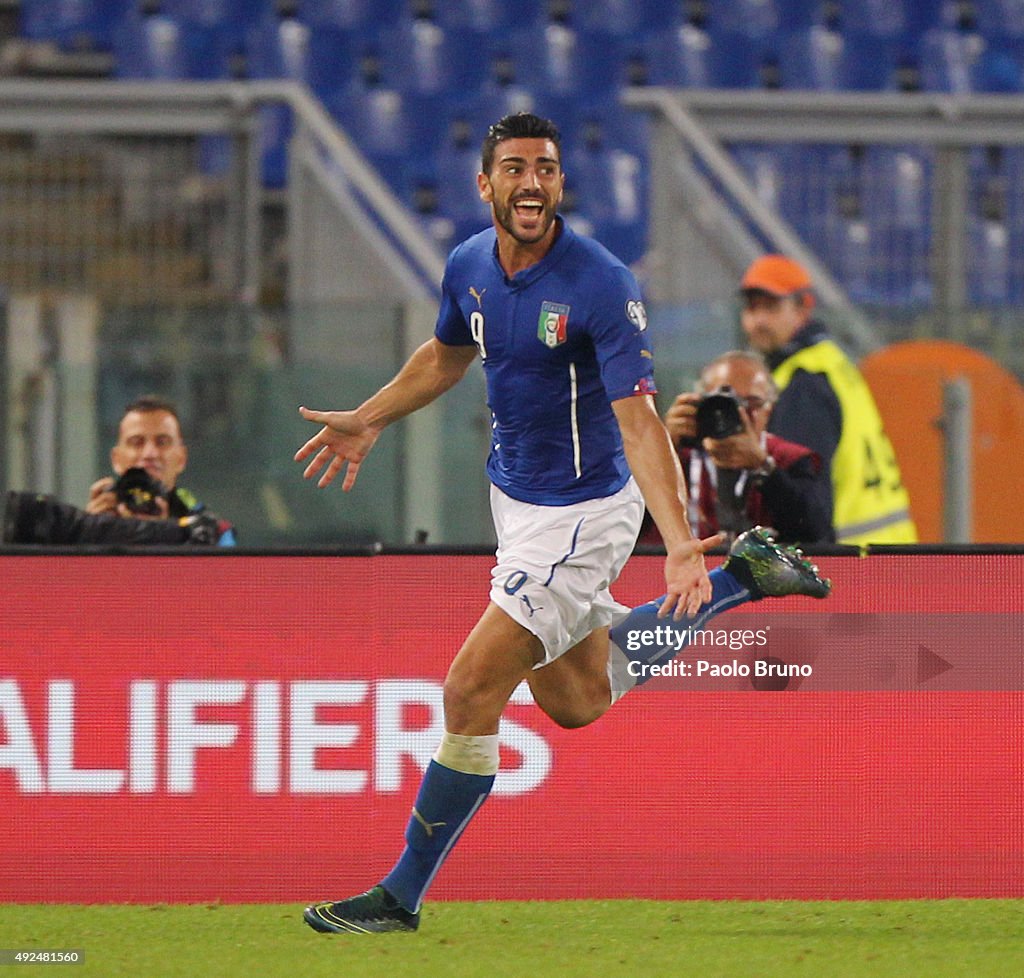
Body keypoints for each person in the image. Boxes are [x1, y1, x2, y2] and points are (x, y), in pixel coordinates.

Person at [294, 113, 831, 935]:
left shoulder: (601, 283)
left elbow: (642, 421)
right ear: (486, 185)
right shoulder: (468, 264)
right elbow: (447, 352)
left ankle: (399, 895)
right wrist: (370, 417)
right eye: (514, 168)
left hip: (585, 513)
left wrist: (678, 538)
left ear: (559, 184)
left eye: (545, 168)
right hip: (515, 501)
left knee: (470, 688)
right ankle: (743, 580)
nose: (531, 182)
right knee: (575, 699)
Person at [739, 254, 917, 545]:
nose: (757, 320)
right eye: (751, 308)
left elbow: (805, 500)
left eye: (771, 307)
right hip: (886, 547)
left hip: (851, 558)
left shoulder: (803, 382)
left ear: (803, 308)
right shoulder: (833, 364)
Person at [643, 350, 833, 546]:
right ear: (701, 403)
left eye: (752, 403)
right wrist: (663, 447)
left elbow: (817, 532)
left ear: (770, 409)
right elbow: (632, 521)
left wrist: (764, 468)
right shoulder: (679, 457)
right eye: (726, 403)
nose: (740, 414)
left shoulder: (792, 459)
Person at [2, 395, 235, 547]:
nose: (150, 453)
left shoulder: (211, 532)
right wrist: (88, 537)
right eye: (136, 442)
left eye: (162, 442)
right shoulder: (90, 524)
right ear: (116, 459)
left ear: (182, 458)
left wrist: (170, 534)